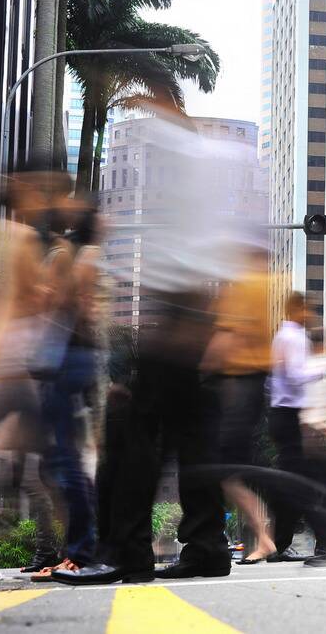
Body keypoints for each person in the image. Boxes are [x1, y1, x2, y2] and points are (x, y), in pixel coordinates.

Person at [54, 92, 243, 585]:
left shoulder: (182, 152)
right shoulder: (220, 158)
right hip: (194, 305)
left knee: (135, 432)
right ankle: (205, 546)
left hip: (179, 305)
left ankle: (126, 552)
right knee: (193, 438)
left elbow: (182, 243)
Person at [0, 166, 60, 573]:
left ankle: (56, 550)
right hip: (17, 371)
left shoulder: (23, 238)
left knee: (40, 473)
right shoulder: (13, 235)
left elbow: (30, 301)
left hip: (22, 372)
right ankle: (51, 550)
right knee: (39, 474)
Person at [31, 197, 103, 580]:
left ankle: (79, 551)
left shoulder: (69, 256)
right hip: (77, 358)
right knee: (69, 459)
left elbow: (57, 302)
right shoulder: (84, 255)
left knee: (68, 461)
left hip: (67, 358)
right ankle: (78, 549)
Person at [266, 292, 326, 564]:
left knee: (302, 483)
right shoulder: (292, 337)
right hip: (290, 416)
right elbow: (294, 376)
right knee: (309, 483)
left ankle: (286, 544)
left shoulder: (288, 336)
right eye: (308, 309)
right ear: (296, 309)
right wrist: (324, 369)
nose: (312, 315)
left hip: (287, 416)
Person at [204, 245, 276, 565]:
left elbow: (226, 338)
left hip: (237, 386)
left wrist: (203, 369)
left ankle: (263, 537)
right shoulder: (267, 285)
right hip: (252, 385)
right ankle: (262, 537)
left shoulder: (244, 286)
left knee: (226, 473)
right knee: (229, 473)